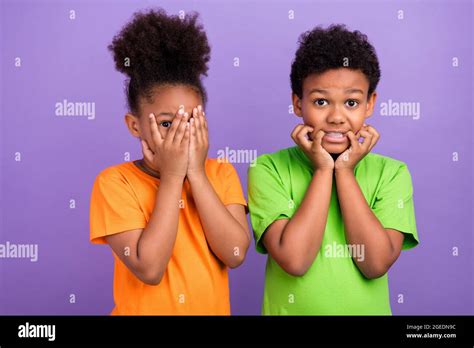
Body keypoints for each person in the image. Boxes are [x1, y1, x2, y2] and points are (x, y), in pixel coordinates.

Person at [248, 24, 419, 315]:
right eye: (321, 101)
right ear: (297, 103)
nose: (336, 117)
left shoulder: (392, 173)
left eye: (351, 102)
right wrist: (323, 170)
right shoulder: (268, 168)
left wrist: (345, 172)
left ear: (370, 104)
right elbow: (295, 260)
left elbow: (375, 263)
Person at [90, 9, 250, 315]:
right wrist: (173, 178)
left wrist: (197, 177)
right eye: (166, 123)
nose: (182, 132)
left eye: (191, 120)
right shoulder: (114, 182)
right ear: (134, 125)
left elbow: (235, 253)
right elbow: (149, 269)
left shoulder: (221, 173)